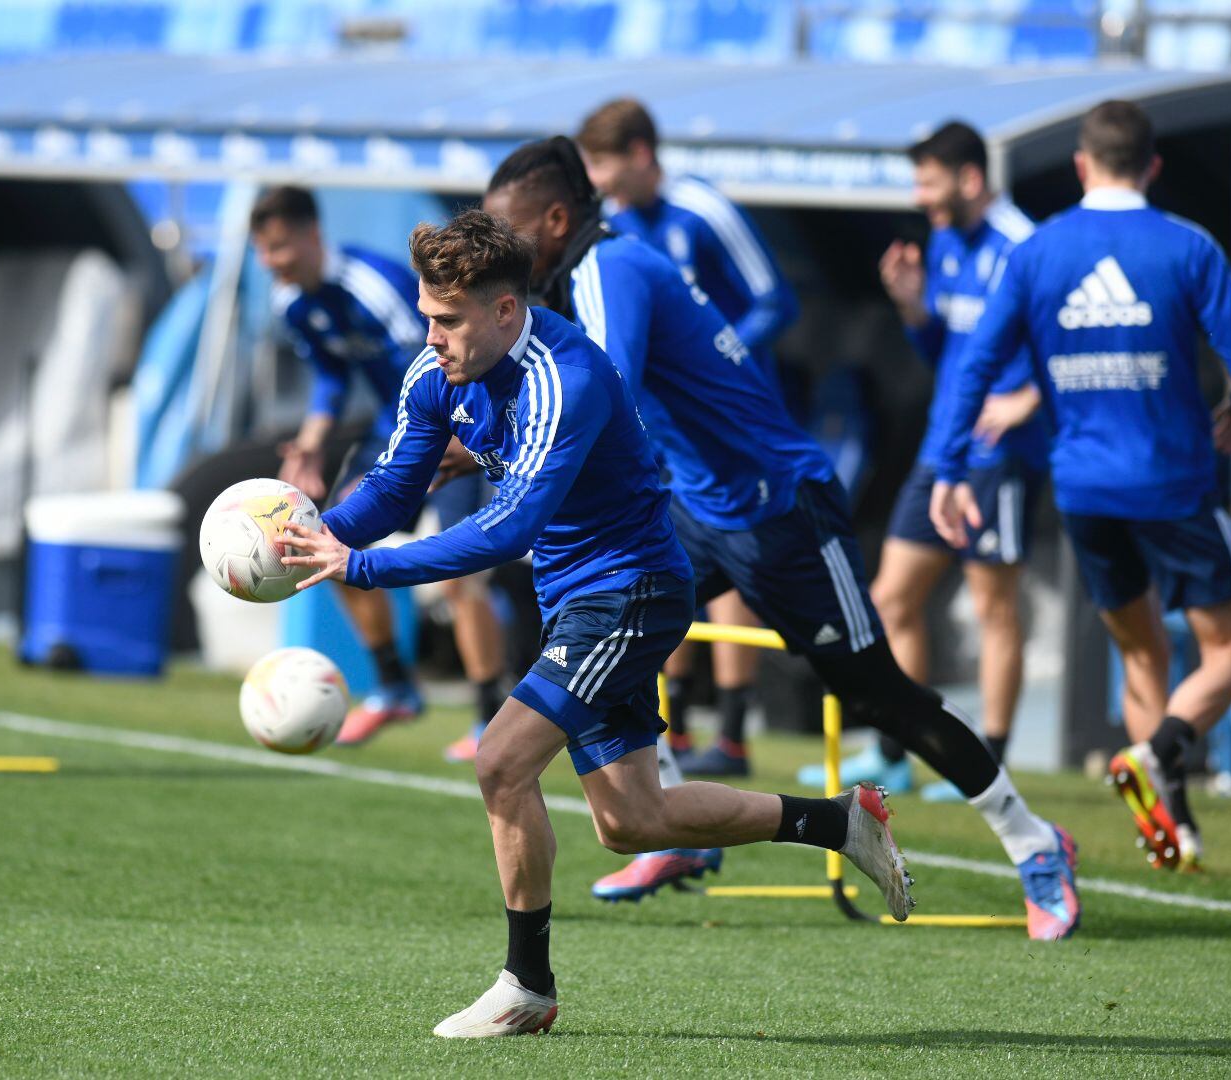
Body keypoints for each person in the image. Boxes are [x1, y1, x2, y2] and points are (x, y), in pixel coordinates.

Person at [280, 209, 915, 1038]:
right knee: (632, 823)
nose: (430, 337)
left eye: (447, 320)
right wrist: (319, 531)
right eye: (429, 316)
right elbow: (398, 485)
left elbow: (504, 531)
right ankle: (839, 821)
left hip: (634, 593)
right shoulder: (436, 374)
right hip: (579, 600)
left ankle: (527, 985)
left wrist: (362, 566)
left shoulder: (565, 377)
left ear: (506, 311)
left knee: (501, 763)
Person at [482, 137, 1078, 941]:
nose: (504, 248)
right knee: (603, 609)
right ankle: (668, 820)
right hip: (698, 505)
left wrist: (488, 447)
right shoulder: (574, 275)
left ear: (556, 220)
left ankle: (1035, 842)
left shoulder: (610, 270)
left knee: (876, 694)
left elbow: (606, 396)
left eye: (511, 228)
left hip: (777, 508)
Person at [932, 100, 1231, 872]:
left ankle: (1174, 829)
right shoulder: (1185, 245)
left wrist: (950, 469)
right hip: (1172, 484)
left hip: (1082, 490)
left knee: (1142, 651)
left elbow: (973, 367)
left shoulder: (1038, 252)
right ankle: (1157, 755)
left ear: (1081, 165)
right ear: (1152, 166)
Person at [824, 122, 1049, 802]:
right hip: (942, 449)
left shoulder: (1023, 245)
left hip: (998, 457)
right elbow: (944, 356)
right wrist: (913, 308)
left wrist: (1027, 399)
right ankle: (897, 753)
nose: (920, 196)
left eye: (929, 181)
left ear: (970, 179)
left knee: (993, 608)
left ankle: (994, 763)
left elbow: (1064, 335)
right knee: (892, 599)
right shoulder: (946, 242)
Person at [579, 97, 801, 777]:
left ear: (642, 154)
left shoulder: (704, 209)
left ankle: (733, 734)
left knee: (732, 566)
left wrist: (715, 352)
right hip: (658, 430)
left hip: (731, 428)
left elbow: (776, 301)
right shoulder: (613, 230)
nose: (601, 187)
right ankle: (670, 733)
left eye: (607, 169)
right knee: (660, 552)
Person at [250, 186, 507, 748]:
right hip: (390, 433)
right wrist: (313, 439)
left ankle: (490, 718)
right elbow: (332, 374)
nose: (271, 263)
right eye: (262, 252)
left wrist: (465, 440)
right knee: (325, 539)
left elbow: (438, 361)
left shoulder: (369, 287)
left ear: (312, 235)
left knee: (464, 575)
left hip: (451, 426)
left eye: (278, 248)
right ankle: (395, 686)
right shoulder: (290, 300)